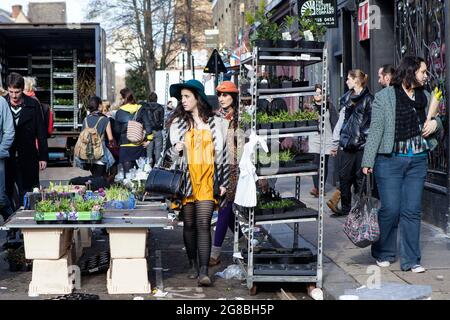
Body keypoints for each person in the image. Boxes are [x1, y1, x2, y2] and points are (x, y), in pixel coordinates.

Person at [362, 56, 442, 273]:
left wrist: (435, 123)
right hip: (389, 161)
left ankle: (411, 260)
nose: (426, 75)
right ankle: (383, 251)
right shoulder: (385, 97)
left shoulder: (425, 96)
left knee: (412, 210)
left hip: (417, 160)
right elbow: (376, 129)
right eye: (423, 72)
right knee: (390, 208)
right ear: (411, 72)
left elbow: (438, 123)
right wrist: (368, 161)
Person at [165, 79, 229, 286]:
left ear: (197, 98)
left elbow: (224, 156)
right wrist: (176, 149)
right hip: (186, 180)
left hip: (209, 180)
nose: (182, 101)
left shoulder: (217, 123)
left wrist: (224, 182)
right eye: (181, 97)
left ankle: (204, 271)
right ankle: (192, 263)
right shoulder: (177, 124)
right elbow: (167, 159)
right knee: (190, 225)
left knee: (204, 224)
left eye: (186, 97)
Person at [5, 73, 48, 209]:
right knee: (6, 191)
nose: (13, 96)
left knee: (29, 191)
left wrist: (43, 157)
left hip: (28, 155)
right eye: (10, 92)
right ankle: (12, 224)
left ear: (22, 89)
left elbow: (41, 132)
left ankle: (27, 222)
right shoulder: (2, 104)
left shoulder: (33, 105)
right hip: (7, 155)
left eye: (17, 92)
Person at [335, 69, 373, 217]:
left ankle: (360, 210)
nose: (346, 81)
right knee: (344, 177)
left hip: (360, 146)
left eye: (348, 79)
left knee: (359, 180)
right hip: (346, 144)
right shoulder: (346, 98)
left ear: (356, 80)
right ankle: (345, 208)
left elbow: (370, 123)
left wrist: (363, 139)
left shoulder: (369, 99)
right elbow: (343, 121)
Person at [209, 81, 240, 266]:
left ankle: (215, 252)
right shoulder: (214, 117)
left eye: (225, 95)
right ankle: (245, 240)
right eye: (219, 95)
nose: (221, 98)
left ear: (233, 97)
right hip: (218, 166)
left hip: (235, 168)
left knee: (224, 208)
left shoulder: (241, 118)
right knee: (227, 210)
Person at [306, 84, 338, 197]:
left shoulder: (329, 106)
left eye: (320, 93)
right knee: (315, 163)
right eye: (316, 93)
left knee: (324, 164)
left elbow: (335, 123)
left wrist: (336, 142)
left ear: (323, 94)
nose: (317, 95)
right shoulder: (310, 107)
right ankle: (316, 188)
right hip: (314, 138)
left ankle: (321, 187)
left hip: (327, 138)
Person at [112, 88, 152, 173]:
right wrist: (149, 139)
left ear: (124, 98)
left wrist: (117, 142)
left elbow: (116, 130)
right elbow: (148, 125)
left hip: (125, 146)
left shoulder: (120, 112)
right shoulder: (141, 109)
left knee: (128, 175)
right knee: (140, 174)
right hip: (139, 145)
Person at [75, 96, 115, 177]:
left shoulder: (85, 119)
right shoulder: (105, 119)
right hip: (100, 155)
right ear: (99, 106)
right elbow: (110, 138)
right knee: (102, 179)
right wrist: (111, 143)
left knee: (95, 178)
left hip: (88, 157)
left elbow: (83, 136)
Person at [0, 95, 15, 221]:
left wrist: (1, 150)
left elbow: (9, 130)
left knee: (0, 198)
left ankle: (12, 223)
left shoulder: (1, 103)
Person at [141, 92, 165, 166]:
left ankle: (148, 168)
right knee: (158, 151)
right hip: (158, 130)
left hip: (148, 131)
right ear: (156, 99)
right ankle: (157, 167)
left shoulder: (145, 107)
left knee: (149, 151)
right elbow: (162, 120)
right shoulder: (160, 107)